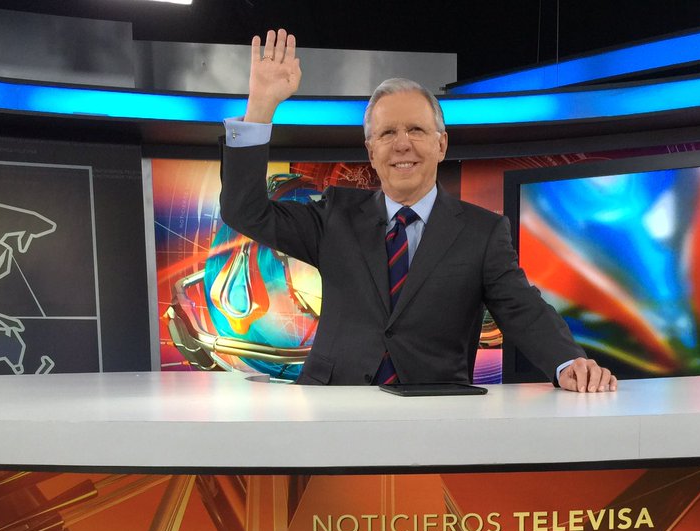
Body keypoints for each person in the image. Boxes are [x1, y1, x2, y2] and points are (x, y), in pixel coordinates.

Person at [220, 29, 617, 392]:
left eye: (416, 130)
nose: (402, 144)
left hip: (433, 411)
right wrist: (261, 108)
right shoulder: (335, 215)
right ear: (371, 152)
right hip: (335, 405)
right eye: (388, 133)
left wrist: (568, 363)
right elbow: (245, 211)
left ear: (441, 145)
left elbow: (522, 309)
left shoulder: (483, 232)